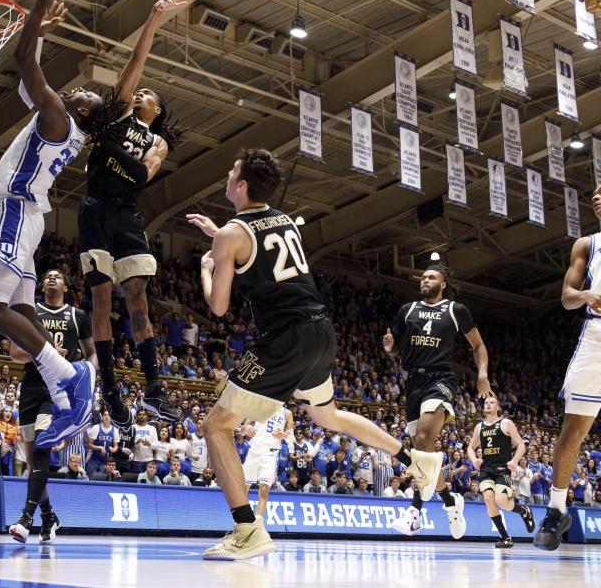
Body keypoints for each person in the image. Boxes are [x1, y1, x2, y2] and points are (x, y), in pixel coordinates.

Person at [187, 149, 444, 561]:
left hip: (285, 338)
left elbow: (218, 308)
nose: (228, 174)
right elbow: (261, 252)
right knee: (328, 416)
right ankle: (414, 460)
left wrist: (207, 267)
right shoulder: (282, 218)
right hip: (320, 331)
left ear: (242, 185)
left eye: (232, 170)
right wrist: (221, 239)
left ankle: (246, 529)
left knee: (215, 426)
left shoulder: (230, 235)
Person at [0, 0, 101, 450]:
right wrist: (42, 36)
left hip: (15, 211)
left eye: (82, 95)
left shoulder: (58, 119)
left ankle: (70, 376)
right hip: (29, 219)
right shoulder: (62, 124)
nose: (76, 89)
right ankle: (63, 395)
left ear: (82, 113)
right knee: (22, 309)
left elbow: (23, 58)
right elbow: (30, 73)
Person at [78, 0, 190, 426]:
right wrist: (153, 17)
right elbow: (136, 61)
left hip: (125, 213)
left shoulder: (156, 141)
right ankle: (109, 389)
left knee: (138, 297)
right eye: (138, 91)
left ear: (156, 110)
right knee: (101, 298)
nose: (139, 91)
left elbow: (143, 177)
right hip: (94, 208)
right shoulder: (120, 111)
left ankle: (153, 388)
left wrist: (106, 144)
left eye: (147, 94)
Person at [383, 264, 491, 539]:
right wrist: (389, 346)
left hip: (440, 379)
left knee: (421, 441)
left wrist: (482, 374)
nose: (425, 280)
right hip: (413, 384)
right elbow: (396, 347)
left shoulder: (456, 310)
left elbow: (478, 345)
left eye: (431, 277)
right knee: (426, 455)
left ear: (443, 283)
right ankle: (451, 502)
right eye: (422, 277)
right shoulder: (407, 310)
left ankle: (414, 513)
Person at [6, 269, 96, 545]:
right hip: (32, 385)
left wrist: (88, 376)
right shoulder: (30, 312)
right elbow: (14, 353)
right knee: (34, 461)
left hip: (59, 389)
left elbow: (92, 352)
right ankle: (49, 516)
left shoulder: (77, 316)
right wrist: (46, 352)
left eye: (58, 275)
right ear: (42, 284)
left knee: (43, 448)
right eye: (48, 276)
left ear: (66, 286)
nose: (52, 278)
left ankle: (25, 518)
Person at [536, 194, 601, 549]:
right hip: (596, 336)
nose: (596, 198)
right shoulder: (587, 244)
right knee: (572, 428)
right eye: (594, 196)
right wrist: (587, 294)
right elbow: (566, 296)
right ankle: (556, 509)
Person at [467, 395, 535, 548]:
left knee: (501, 501)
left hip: (502, 469)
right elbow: (470, 447)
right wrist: (474, 460)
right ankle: (505, 537)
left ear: (498, 407)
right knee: (488, 499)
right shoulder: (479, 427)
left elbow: (521, 445)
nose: (488, 404)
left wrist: (514, 461)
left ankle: (523, 511)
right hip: (486, 469)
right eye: (486, 402)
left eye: (492, 402)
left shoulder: (506, 423)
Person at [242, 406, 290, 518]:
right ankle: (240, 521)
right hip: (254, 452)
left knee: (264, 489)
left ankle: (257, 523)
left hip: (270, 455)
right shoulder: (259, 405)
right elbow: (244, 429)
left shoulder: (287, 413)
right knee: (243, 490)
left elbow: (291, 437)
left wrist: (285, 436)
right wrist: (248, 428)